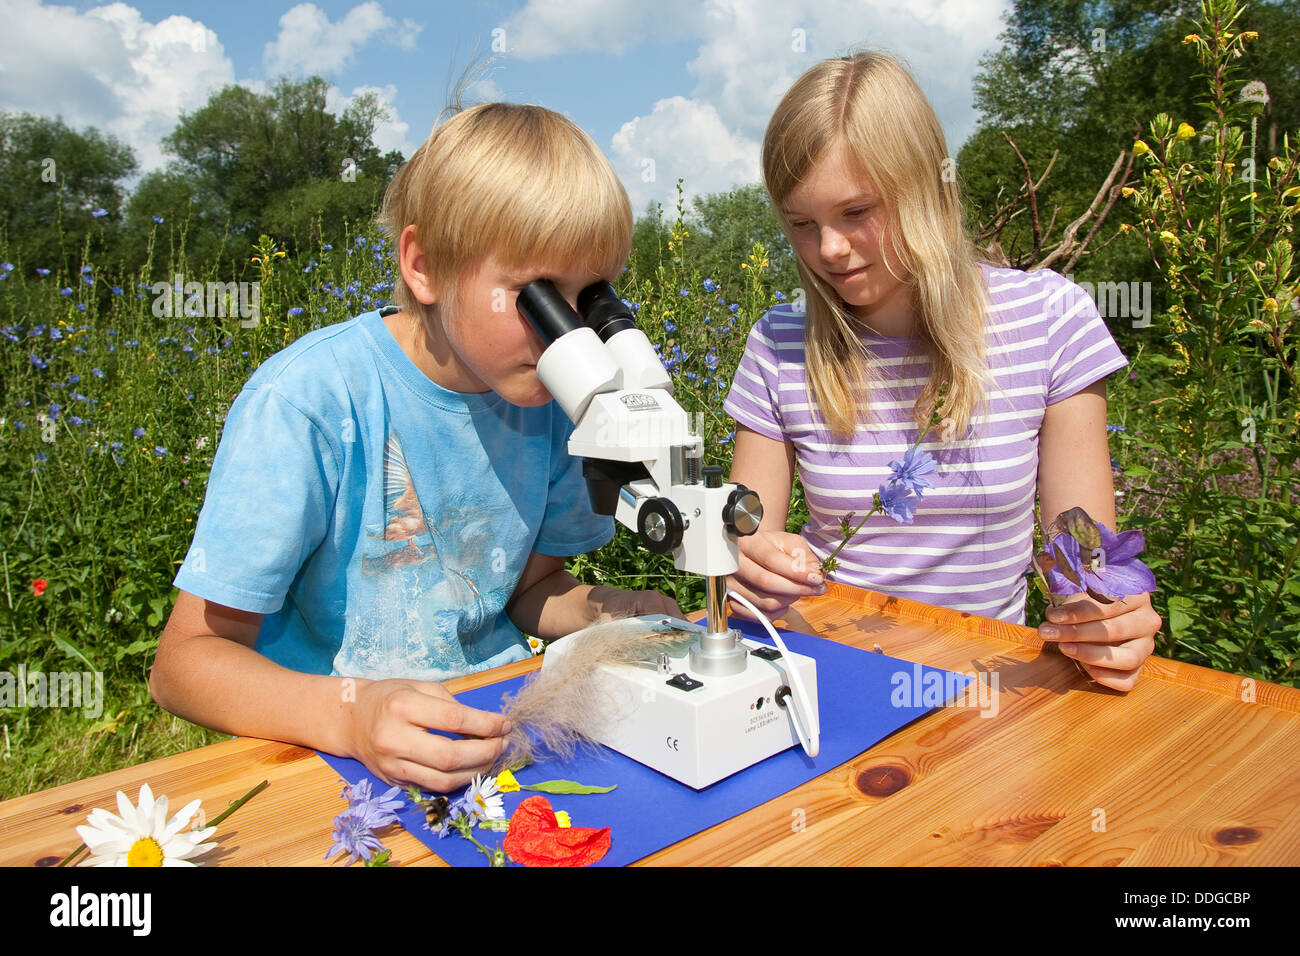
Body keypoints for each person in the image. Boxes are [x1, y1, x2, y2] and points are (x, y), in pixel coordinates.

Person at [150, 103, 680, 792]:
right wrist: (349, 714)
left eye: (591, 299)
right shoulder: (310, 401)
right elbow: (184, 665)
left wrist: (605, 611)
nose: (567, 335)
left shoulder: (551, 404)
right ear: (424, 265)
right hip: (333, 753)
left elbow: (531, 590)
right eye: (538, 297)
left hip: (488, 734)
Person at [724, 52, 1161, 692]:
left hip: (991, 692)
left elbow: (1083, 551)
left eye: (855, 212)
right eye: (801, 224)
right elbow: (746, 545)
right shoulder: (779, 343)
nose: (829, 250)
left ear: (928, 188)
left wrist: (1105, 621)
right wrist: (747, 567)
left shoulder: (1048, 318)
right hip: (825, 685)